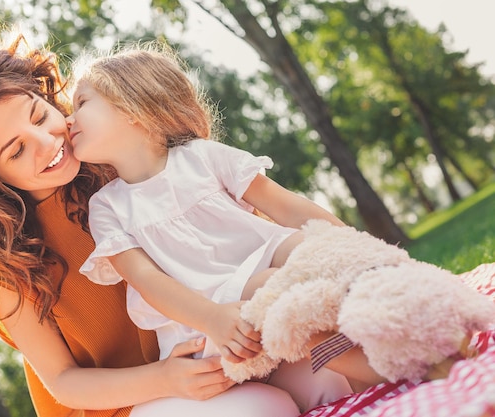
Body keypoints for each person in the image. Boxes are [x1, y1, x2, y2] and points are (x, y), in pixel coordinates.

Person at [0, 31, 353, 417]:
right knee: (263, 409)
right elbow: (63, 381)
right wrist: (166, 378)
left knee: (327, 379)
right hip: (124, 402)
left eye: (40, 115)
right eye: (16, 151)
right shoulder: (1, 264)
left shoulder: (112, 164)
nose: (47, 141)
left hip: (210, 342)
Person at [68, 42, 353, 412]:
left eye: (81, 103)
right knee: (281, 283)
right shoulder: (107, 206)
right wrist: (213, 318)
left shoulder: (202, 157)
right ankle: (387, 367)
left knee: (311, 253)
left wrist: (351, 249)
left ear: (130, 107)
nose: (68, 120)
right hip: (207, 333)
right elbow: (149, 283)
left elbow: (287, 207)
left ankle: (386, 357)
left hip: (266, 309)